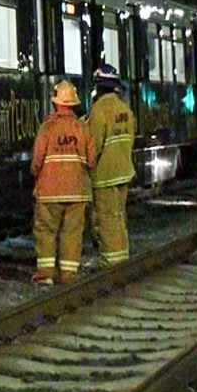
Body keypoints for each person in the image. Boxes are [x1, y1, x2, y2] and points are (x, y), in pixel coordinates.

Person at [31, 80, 97, 285]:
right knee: (72, 233)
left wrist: (37, 177)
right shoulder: (82, 128)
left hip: (50, 191)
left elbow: (37, 161)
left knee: (46, 231)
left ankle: (46, 275)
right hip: (77, 191)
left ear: (56, 103)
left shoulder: (47, 128)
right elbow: (92, 160)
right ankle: (68, 275)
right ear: (74, 104)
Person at [86, 64, 136, 268]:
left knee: (106, 218)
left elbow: (94, 146)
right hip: (124, 171)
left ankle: (111, 261)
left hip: (105, 174)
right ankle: (122, 255)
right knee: (119, 215)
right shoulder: (125, 109)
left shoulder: (99, 111)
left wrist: (87, 170)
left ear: (98, 87)